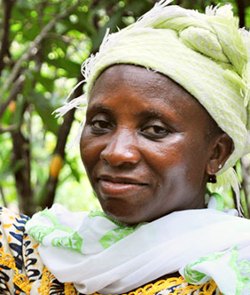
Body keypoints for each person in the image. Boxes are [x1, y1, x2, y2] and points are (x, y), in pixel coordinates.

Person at [1, 0, 250, 294]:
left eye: (155, 130)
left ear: (216, 154)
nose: (117, 152)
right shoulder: (38, 254)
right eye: (101, 124)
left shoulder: (229, 273)